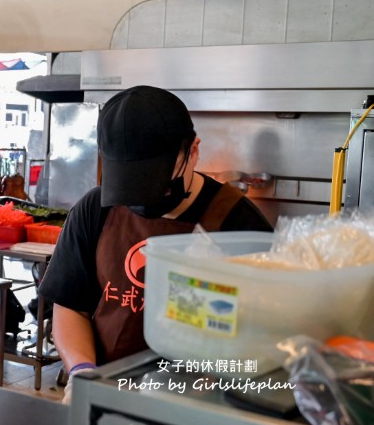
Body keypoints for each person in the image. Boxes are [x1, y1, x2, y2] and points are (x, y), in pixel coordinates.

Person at [37, 86, 272, 401]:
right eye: (129, 186)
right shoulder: (95, 209)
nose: (141, 201)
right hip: (104, 390)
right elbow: (70, 305)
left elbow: (262, 336)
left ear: (193, 152)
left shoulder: (238, 224)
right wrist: (81, 372)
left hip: (196, 404)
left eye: (155, 184)